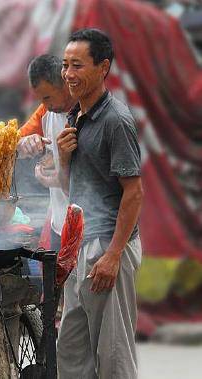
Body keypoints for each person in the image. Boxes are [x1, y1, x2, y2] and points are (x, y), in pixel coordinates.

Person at [56, 29, 143, 378]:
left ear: (103, 67)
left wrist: (113, 255)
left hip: (108, 246)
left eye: (77, 65)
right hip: (81, 245)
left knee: (112, 355)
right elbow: (72, 187)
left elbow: (134, 192)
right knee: (72, 352)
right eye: (65, 65)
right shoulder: (75, 116)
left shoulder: (115, 121)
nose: (68, 74)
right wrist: (63, 158)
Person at [16, 54, 75, 251]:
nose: (45, 105)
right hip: (59, 224)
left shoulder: (89, 112)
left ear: (65, 83)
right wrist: (26, 144)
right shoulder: (46, 111)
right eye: (40, 99)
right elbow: (13, 143)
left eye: (48, 97)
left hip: (90, 228)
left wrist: (56, 178)